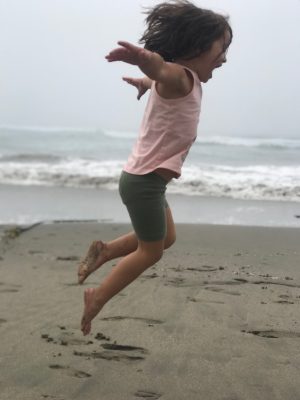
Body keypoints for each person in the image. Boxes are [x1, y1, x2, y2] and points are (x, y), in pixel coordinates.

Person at [79, 0, 232, 336]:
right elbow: (161, 71)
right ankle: (98, 298)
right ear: (196, 45)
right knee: (151, 251)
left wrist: (142, 82)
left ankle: (105, 250)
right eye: (221, 48)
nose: (224, 57)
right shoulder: (178, 76)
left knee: (166, 238)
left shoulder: (183, 83)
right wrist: (146, 62)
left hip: (148, 183)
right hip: (144, 183)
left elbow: (156, 82)